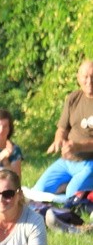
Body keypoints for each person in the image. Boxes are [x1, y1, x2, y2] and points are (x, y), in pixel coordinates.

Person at [32, 60, 93, 198]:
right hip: (67, 161)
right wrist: (58, 140)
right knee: (39, 191)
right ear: (78, 78)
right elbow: (62, 129)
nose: (89, 81)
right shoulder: (73, 98)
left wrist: (79, 147)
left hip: (90, 163)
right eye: (85, 77)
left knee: (73, 194)